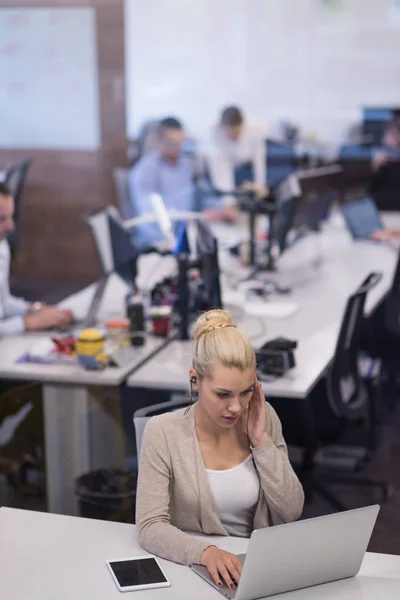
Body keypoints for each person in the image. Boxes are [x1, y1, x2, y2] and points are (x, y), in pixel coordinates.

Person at [136, 309, 304, 589]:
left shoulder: (263, 417)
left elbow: (291, 511)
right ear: (195, 381)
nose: (237, 407)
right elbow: (150, 526)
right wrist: (205, 553)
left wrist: (261, 442)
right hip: (190, 569)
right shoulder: (162, 432)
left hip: (253, 571)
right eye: (223, 394)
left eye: (246, 392)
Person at [129, 117, 238, 248]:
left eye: (181, 143)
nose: (178, 148)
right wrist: (198, 217)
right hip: (157, 241)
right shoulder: (145, 171)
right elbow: (151, 214)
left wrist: (222, 208)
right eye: (172, 143)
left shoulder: (186, 163)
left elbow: (199, 195)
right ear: (159, 141)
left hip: (188, 233)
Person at [0, 183, 74, 336]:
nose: (11, 226)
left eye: (11, 217)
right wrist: (26, 322)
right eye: (1, 219)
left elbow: (3, 303)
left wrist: (35, 309)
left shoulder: (2, 244)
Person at [204, 106, 269, 204]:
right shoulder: (215, 134)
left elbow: (260, 161)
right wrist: (228, 201)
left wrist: (260, 187)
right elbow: (221, 171)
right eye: (229, 133)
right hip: (232, 166)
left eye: (235, 133)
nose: (232, 137)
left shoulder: (257, 128)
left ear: (242, 125)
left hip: (251, 164)